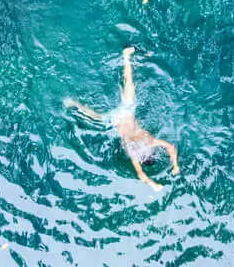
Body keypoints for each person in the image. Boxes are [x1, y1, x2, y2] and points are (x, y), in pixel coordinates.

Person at [67, 47, 181, 189]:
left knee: (129, 82)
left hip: (127, 112)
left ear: (152, 153)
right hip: (115, 121)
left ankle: (126, 56)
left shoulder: (150, 141)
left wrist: (176, 165)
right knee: (92, 115)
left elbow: (171, 147)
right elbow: (140, 174)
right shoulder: (134, 153)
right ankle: (72, 103)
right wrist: (153, 184)